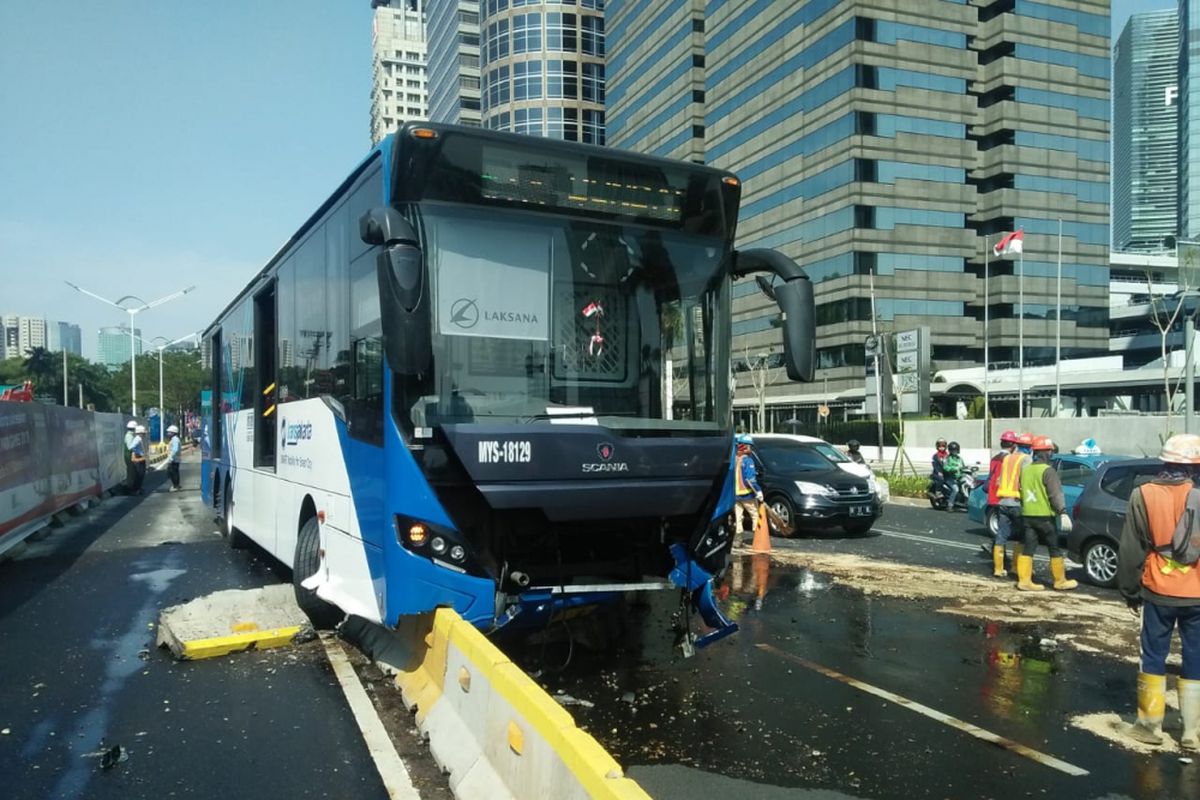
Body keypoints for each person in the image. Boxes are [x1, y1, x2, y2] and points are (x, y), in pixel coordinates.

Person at [1116, 433, 1200, 750]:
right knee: (1195, 656)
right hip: (1197, 593)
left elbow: (1131, 549)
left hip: (1157, 589)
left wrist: (1129, 590)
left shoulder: (1143, 494)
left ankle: (1149, 727)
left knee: (1153, 654)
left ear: (1164, 461)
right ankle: (1192, 731)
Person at [1017, 436, 1074, 592]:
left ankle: (1024, 581)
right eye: (1050, 450)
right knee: (1054, 548)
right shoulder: (1048, 471)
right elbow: (1055, 494)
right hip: (1044, 517)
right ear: (1047, 452)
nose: (1051, 453)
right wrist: (1062, 512)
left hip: (1028, 515)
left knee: (1028, 548)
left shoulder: (1026, 470)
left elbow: (1020, 491)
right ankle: (1060, 581)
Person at [986, 430, 1026, 578]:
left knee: (1001, 533)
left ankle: (998, 568)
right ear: (1013, 445)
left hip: (996, 498)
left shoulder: (994, 458)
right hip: (1011, 499)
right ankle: (1015, 566)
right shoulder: (1010, 459)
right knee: (1019, 534)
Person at [734, 434, 763, 539]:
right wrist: (758, 491)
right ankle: (758, 538)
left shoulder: (735, 459)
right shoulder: (747, 460)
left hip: (735, 495)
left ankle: (738, 539)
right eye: (750, 446)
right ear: (746, 446)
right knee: (755, 515)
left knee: (738, 518)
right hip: (747, 494)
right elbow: (750, 480)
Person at [944, 441, 965, 510]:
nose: (955, 452)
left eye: (956, 450)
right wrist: (951, 469)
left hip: (959, 477)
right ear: (950, 450)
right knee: (955, 489)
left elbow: (964, 467)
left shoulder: (960, 459)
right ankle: (950, 505)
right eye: (953, 450)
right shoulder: (947, 458)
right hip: (950, 478)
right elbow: (945, 467)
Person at [130, 424, 147, 496]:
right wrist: (135, 453)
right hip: (138, 458)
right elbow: (131, 447)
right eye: (143, 433)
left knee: (141, 475)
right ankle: (136, 489)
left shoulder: (139, 439)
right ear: (140, 433)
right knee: (139, 475)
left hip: (140, 457)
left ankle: (138, 489)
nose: (144, 434)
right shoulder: (137, 439)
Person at [166, 424, 182, 492]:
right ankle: (176, 485)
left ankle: (176, 486)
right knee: (173, 472)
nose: (168, 433)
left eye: (169, 432)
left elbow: (175, 449)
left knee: (173, 473)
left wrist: (171, 458)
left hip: (174, 459)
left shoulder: (175, 439)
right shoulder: (174, 439)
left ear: (173, 433)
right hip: (174, 459)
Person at [123, 420, 137, 494]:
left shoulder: (131, 435)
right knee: (131, 473)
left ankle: (133, 488)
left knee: (133, 472)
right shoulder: (129, 436)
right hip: (129, 456)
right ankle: (130, 489)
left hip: (131, 456)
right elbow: (130, 447)